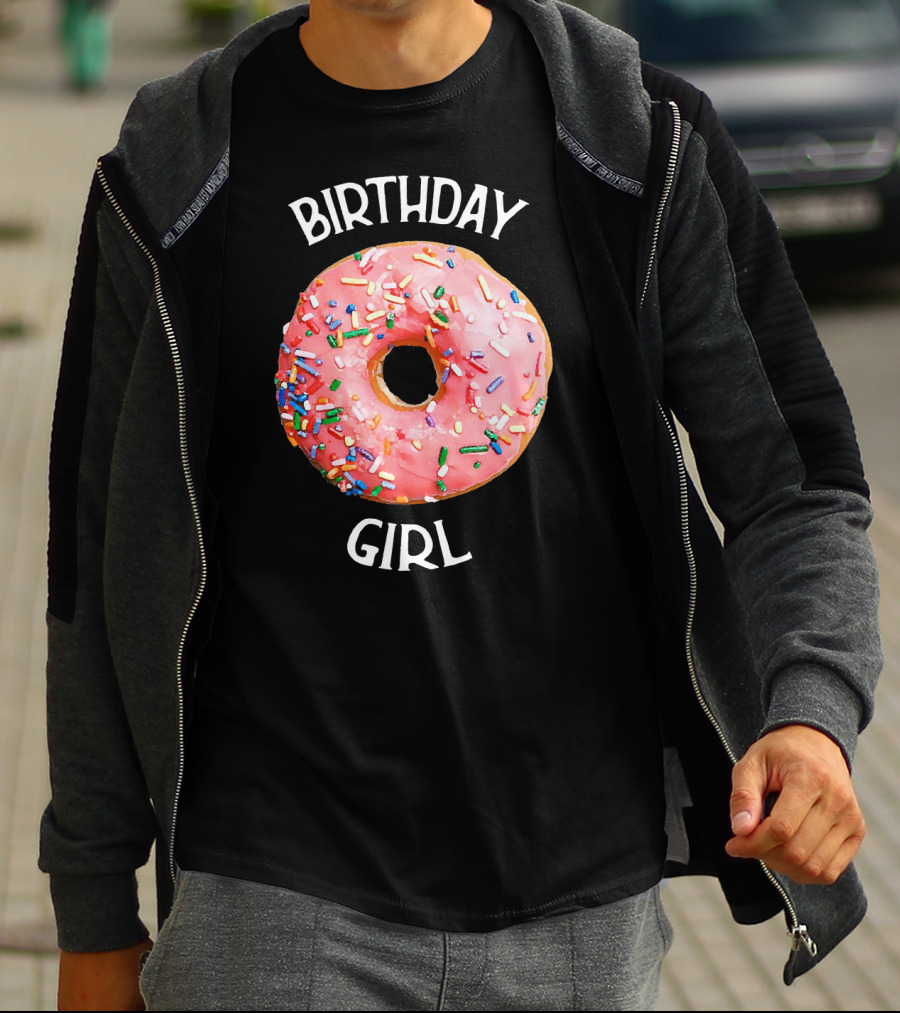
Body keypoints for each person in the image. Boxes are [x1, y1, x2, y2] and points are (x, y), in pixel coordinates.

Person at [41, 1, 881, 1010]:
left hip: (580, 890)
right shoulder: (177, 163)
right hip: (270, 888)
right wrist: (93, 908)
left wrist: (813, 715)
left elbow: (796, 479)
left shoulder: (633, 135)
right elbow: (91, 554)